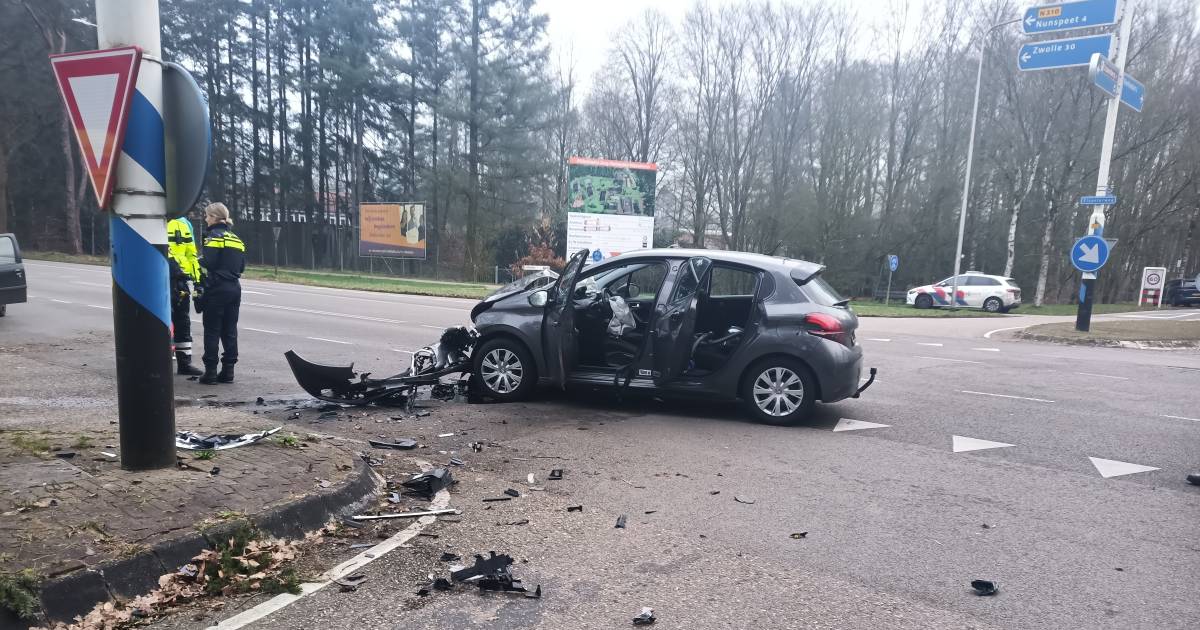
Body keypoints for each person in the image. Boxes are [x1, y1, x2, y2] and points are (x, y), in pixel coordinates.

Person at [198, 203, 245, 385]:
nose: (205, 219)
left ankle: (210, 373)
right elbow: (241, 266)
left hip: (216, 288)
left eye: (207, 216)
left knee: (212, 330)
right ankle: (228, 372)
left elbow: (209, 262)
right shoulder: (236, 239)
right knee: (230, 331)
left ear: (215, 217)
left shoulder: (213, 237)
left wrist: (197, 260)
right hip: (234, 288)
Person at [167, 213, 204, 376]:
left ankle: (184, 363)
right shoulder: (153, 217)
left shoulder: (184, 223)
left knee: (183, 321)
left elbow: (191, 254)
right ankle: (159, 360)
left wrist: (198, 281)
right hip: (160, 278)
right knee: (160, 321)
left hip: (181, 280)